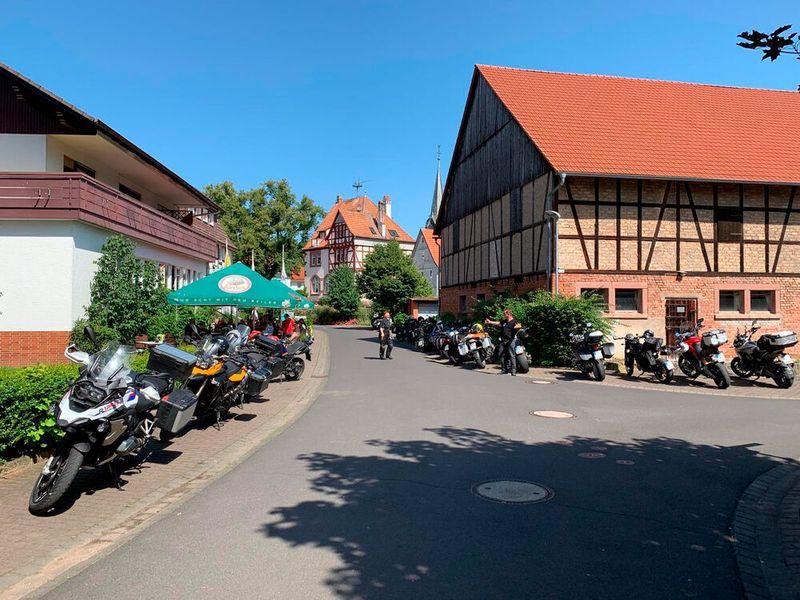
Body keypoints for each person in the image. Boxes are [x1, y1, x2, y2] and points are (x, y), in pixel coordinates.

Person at [485, 308, 522, 375]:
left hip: (510, 340)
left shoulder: (514, 321)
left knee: (511, 355)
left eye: (505, 314)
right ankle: (504, 370)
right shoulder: (504, 321)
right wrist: (490, 322)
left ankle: (513, 371)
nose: (504, 315)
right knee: (501, 355)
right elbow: (498, 323)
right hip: (502, 340)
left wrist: (517, 327)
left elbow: (519, 325)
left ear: (509, 314)